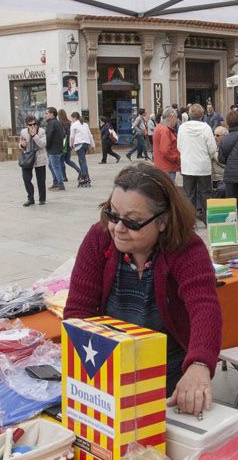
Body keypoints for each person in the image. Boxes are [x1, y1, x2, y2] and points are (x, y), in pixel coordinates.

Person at [64, 164, 222, 414]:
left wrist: (200, 364)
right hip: (107, 365)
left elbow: (204, 307)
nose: (118, 227)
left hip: (168, 372)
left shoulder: (186, 249)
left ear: (162, 222)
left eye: (132, 221)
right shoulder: (99, 238)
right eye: (112, 214)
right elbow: (77, 311)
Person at [177, 103, 219, 218]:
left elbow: (179, 147)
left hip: (188, 166)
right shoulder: (206, 128)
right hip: (203, 166)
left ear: (189, 114)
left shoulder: (182, 128)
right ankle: (208, 220)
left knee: (188, 195)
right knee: (206, 194)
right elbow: (212, 148)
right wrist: (207, 157)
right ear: (202, 115)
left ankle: (189, 221)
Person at [19, 115, 48, 206]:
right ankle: (30, 198)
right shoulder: (23, 132)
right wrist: (22, 145)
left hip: (39, 157)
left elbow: (42, 144)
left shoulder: (41, 131)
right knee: (26, 179)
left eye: (34, 124)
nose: (32, 126)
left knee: (41, 180)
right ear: (27, 125)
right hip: (27, 158)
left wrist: (34, 135)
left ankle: (42, 199)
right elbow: (20, 144)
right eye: (30, 124)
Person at [153, 106, 181, 181]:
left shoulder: (160, 127)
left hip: (162, 166)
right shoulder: (165, 130)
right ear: (171, 117)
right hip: (167, 167)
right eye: (176, 117)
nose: (176, 120)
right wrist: (177, 159)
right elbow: (165, 150)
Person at [44, 109, 69, 191]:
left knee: (55, 166)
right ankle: (55, 183)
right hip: (58, 148)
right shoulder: (58, 123)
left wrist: (46, 146)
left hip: (53, 149)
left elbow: (49, 137)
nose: (45, 115)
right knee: (51, 166)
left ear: (52, 114)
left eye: (46, 113)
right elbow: (64, 134)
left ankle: (60, 184)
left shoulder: (51, 123)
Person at [70, 110, 94, 186]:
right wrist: (93, 145)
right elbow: (90, 135)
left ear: (74, 118)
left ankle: (86, 177)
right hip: (86, 143)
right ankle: (83, 176)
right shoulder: (85, 124)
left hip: (79, 144)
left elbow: (72, 136)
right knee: (81, 161)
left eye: (72, 118)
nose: (72, 120)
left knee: (82, 161)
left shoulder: (74, 125)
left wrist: (71, 144)